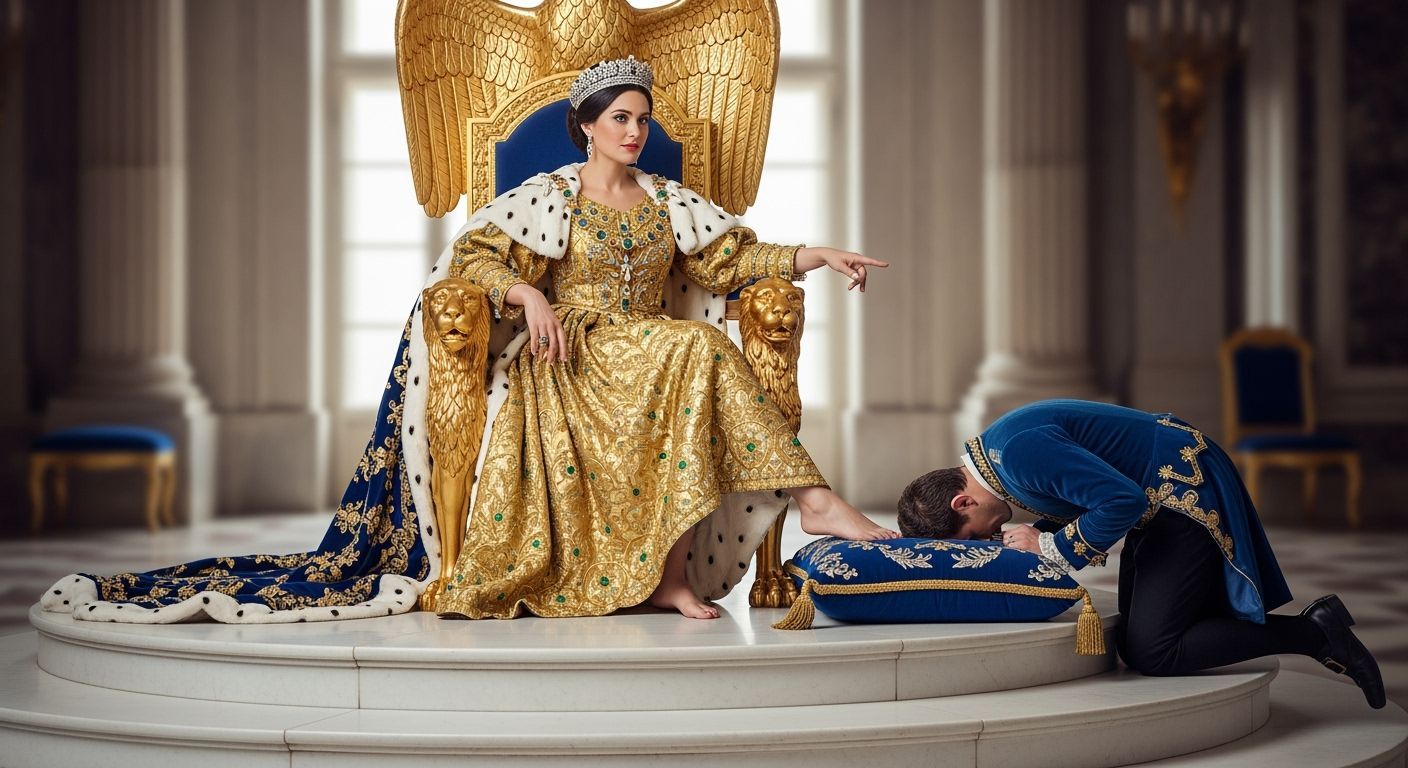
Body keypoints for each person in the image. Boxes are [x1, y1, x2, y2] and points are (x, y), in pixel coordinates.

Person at [40, 56, 895, 626]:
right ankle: (813, 504)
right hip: (568, 360)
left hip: (652, 352)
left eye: (643, 120)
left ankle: (673, 575)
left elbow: (735, 257)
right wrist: (528, 291)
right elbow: (472, 257)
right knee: (697, 352)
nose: (637, 132)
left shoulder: (670, 199)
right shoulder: (550, 195)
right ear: (588, 126)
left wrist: (818, 253)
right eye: (623, 120)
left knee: (688, 354)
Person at [896, 399, 1386, 709]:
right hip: (1155, 505)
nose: (987, 541)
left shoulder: (1019, 455)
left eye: (973, 537)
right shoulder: (1000, 458)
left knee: (1155, 650)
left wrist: (1050, 544)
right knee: (1136, 640)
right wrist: (1047, 533)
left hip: (1182, 494)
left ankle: (1316, 633)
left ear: (963, 502)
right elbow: (1091, 493)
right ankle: (1309, 628)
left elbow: (1122, 500)